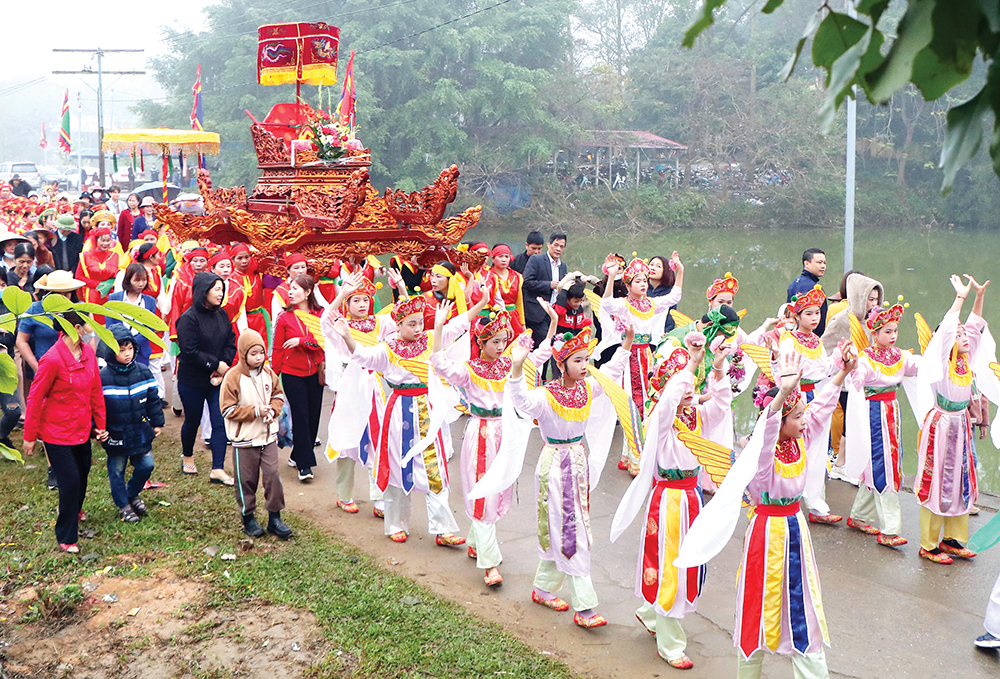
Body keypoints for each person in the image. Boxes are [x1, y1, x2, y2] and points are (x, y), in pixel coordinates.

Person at [469, 324, 632, 628]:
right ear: (561, 364)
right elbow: (521, 401)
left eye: (586, 359)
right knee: (571, 530)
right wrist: (517, 367)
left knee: (561, 527)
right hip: (555, 466)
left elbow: (610, 372)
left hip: (577, 463)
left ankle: (543, 588)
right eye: (577, 360)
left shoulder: (587, 388)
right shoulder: (546, 396)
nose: (584, 365)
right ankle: (585, 607)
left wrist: (627, 344)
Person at [609, 334, 731, 669]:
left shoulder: (695, 415)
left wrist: (718, 368)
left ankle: (651, 613)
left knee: (686, 563)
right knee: (670, 567)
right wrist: (690, 365)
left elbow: (722, 405)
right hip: (669, 502)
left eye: (692, 383)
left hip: (692, 498)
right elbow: (668, 402)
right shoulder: (658, 420)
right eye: (682, 383)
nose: (690, 389)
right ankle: (671, 644)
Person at [330, 294, 478, 545]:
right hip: (399, 412)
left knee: (435, 468)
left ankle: (443, 529)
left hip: (428, 410)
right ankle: (395, 524)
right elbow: (363, 357)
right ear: (397, 325)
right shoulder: (387, 349)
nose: (418, 328)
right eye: (412, 324)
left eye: (420, 322)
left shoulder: (430, 339)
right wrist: (347, 336)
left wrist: (481, 303)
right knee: (398, 467)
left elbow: (456, 327)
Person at [430, 298, 557, 586]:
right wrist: (438, 328)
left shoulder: (511, 365)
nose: (500, 347)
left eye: (503, 341)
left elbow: (541, 355)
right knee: (485, 495)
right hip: (481, 433)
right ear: (481, 342)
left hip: (505, 432)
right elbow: (439, 363)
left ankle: (476, 542)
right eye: (494, 342)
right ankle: (490, 565)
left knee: (498, 491)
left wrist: (552, 324)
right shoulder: (469, 370)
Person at [914, 275, 990, 564]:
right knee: (936, 483)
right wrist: (960, 297)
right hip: (942, 425)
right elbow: (947, 331)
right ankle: (928, 544)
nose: (964, 337)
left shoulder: (965, 361)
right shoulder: (941, 364)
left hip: (960, 423)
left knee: (960, 480)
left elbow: (975, 327)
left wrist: (978, 297)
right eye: (959, 336)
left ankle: (953, 539)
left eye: (963, 335)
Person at [23, 311, 107, 554]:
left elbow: (95, 390)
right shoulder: (52, 359)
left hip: (81, 427)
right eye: (87, 324)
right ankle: (66, 535)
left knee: (83, 473)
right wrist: (29, 436)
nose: (92, 329)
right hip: (56, 432)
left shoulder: (88, 353)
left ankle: (74, 509)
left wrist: (100, 424)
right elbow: (35, 398)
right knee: (69, 481)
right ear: (76, 328)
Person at [321, 271, 404, 515]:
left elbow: (403, 316)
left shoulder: (380, 323)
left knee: (378, 440)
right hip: (349, 387)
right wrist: (342, 294)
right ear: (347, 304)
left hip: (373, 386)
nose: (361, 304)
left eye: (365, 300)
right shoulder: (340, 325)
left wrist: (400, 287)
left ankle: (379, 497)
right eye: (355, 300)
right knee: (347, 440)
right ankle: (343, 495)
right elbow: (325, 320)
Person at [842, 298, 920, 547]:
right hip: (873, 413)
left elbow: (921, 366)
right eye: (887, 331)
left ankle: (859, 515)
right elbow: (853, 382)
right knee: (883, 464)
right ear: (874, 333)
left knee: (883, 462)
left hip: (891, 412)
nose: (893, 335)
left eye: (895, 330)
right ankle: (889, 530)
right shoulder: (866, 359)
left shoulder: (900, 356)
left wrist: (942, 352)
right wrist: (851, 366)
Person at [598, 253, 683, 475]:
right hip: (629, 356)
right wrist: (611, 277)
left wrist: (680, 270)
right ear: (628, 285)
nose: (643, 284)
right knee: (633, 404)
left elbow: (674, 296)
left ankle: (630, 455)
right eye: (638, 281)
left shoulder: (651, 304)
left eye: (645, 280)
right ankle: (635, 458)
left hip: (646, 355)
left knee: (645, 403)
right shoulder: (624, 304)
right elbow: (606, 304)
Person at [220, 328, 293, 540]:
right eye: (253, 353)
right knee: (246, 480)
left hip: (268, 436)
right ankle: (248, 517)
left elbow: (278, 395)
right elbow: (227, 410)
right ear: (244, 354)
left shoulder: (268, 373)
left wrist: (273, 411)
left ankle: (275, 517)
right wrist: (255, 411)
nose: (259, 357)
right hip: (244, 439)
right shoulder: (232, 377)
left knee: (273, 476)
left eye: (261, 352)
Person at [176, 271, 237, 485]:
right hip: (192, 380)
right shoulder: (188, 318)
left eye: (222, 289)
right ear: (204, 291)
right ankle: (188, 456)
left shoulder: (222, 314)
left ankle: (217, 468)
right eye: (216, 289)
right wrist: (214, 364)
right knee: (192, 420)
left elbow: (230, 341)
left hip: (216, 380)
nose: (220, 294)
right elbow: (189, 351)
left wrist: (223, 365)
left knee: (219, 421)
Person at [99, 325, 164, 523]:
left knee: (146, 465)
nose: (127, 353)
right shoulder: (102, 377)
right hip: (116, 434)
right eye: (121, 350)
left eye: (130, 348)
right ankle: (124, 505)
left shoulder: (143, 372)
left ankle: (132, 493)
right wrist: (97, 429)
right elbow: (96, 407)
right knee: (117, 470)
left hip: (140, 431)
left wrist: (157, 422)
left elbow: (153, 400)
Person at [822, 272, 883, 481]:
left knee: (859, 424)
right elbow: (824, 348)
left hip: (868, 381)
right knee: (851, 424)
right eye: (870, 299)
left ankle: (851, 464)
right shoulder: (842, 319)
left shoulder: (874, 321)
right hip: (847, 383)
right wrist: (843, 363)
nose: (874, 304)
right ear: (859, 298)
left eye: (876, 299)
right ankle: (841, 465)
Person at [271, 274, 326, 482]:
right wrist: (273, 376)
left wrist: (301, 340)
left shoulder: (320, 314)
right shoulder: (284, 317)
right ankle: (305, 465)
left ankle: (297, 454)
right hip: (292, 373)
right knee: (301, 415)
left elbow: (323, 339)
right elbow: (278, 348)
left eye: (295, 288)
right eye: (290, 288)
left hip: (315, 372)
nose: (290, 292)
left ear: (308, 292)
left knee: (313, 416)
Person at [522, 233, 568, 351]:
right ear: (549, 244)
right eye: (556, 245)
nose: (558, 249)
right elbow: (526, 282)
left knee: (553, 346)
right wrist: (549, 285)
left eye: (561, 246)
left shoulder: (563, 266)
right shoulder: (536, 259)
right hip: (537, 312)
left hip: (554, 312)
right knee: (544, 346)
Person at [76, 215, 123, 305]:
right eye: (102, 241)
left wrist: (110, 284)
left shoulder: (116, 256)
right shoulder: (86, 256)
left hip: (110, 295)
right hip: (92, 295)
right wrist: (97, 284)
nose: (105, 244)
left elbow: (120, 275)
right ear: (96, 241)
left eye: (107, 241)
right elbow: (79, 276)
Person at [230, 244, 269, 352]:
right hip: (239, 320)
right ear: (233, 260)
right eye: (239, 258)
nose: (244, 261)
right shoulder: (230, 279)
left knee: (261, 348)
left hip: (259, 319)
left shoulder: (258, 275)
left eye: (247, 257)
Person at [483, 244, 525, 336]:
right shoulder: (488, 276)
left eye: (506, 256)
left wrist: (522, 323)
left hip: (514, 317)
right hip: (495, 317)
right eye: (500, 256)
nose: (504, 259)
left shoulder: (517, 276)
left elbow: (519, 302)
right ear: (493, 259)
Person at [787, 248, 828, 335]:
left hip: (793, 333)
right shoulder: (815, 289)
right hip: (809, 335)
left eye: (824, 263)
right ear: (807, 264)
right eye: (819, 262)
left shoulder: (793, 284)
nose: (823, 266)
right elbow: (821, 322)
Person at [421, 260, 465, 329]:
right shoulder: (424, 299)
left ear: (449, 279)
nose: (433, 280)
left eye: (438, 276)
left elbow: (471, 324)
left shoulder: (462, 298)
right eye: (432, 275)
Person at [648, 255, 678, 333]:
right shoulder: (640, 287)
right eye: (651, 265)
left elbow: (670, 318)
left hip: (660, 333)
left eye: (658, 266)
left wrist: (666, 333)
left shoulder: (670, 292)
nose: (653, 268)